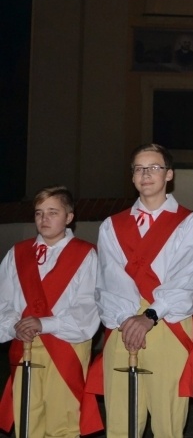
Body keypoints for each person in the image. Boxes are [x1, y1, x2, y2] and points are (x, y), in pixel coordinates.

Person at [90, 143, 193, 438]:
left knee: (168, 423)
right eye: (139, 168)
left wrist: (150, 315)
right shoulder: (111, 226)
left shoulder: (191, 224)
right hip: (123, 325)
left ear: (169, 175)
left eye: (154, 167)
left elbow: (186, 279)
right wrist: (127, 319)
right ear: (132, 177)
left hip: (168, 324)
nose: (146, 174)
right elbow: (109, 279)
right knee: (120, 422)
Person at [0, 186, 103, 438]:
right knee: (28, 417)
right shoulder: (18, 253)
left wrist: (44, 324)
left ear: (69, 217)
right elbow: (4, 300)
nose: (44, 219)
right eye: (39, 213)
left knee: (63, 419)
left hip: (66, 344)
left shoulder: (85, 254)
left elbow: (88, 306)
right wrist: (15, 324)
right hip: (24, 343)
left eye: (52, 212)